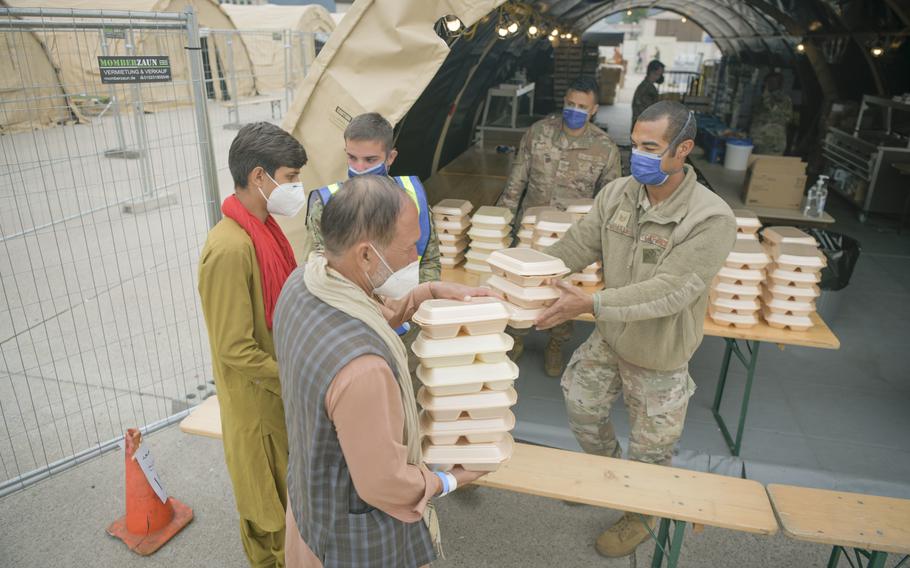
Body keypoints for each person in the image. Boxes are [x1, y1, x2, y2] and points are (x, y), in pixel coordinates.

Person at [534, 101, 736, 559]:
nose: (637, 155)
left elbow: (672, 291)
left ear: (682, 149)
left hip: (660, 350)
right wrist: (524, 273)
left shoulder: (710, 218)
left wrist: (591, 303)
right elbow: (576, 245)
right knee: (582, 406)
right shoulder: (620, 194)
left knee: (652, 446)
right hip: (612, 333)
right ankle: (610, 480)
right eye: (634, 145)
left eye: (651, 147)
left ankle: (641, 513)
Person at [274, 175, 492, 567]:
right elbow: (383, 483)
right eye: (410, 246)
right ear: (365, 255)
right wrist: (451, 479)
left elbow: (370, 315)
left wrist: (427, 292)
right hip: (349, 540)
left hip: (310, 502)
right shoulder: (364, 371)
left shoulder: (303, 282)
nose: (416, 257)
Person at [198, 122, 308, 568]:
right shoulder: (229, 248)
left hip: (278, 397)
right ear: (259, 177)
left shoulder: (265, 230)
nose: (297, 189)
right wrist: (298, 377)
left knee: (291, 501)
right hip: (258, 405)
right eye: (291, 178)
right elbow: (234, 349)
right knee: (269, 516)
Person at [496, 75, 622, 377]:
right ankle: (515, 338)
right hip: (531, 230)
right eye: (569, 103)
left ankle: (556, 344)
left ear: (593, 110)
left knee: (564, 292)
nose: (574, 110)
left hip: (574, 239)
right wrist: (502, 225)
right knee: (520, 289)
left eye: (581, 106)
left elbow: (611, 202)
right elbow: (517, 182)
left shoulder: (604, 149)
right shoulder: (539, 133)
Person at [305, 112, 440, 379]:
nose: (359, 167)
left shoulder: (412, 196)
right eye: (352, 158)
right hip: (352, 331)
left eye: (370, 160)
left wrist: (413, 311)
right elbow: (322, 275)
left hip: (408, 329)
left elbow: (431, 260)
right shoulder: (327, 203)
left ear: (390, 158)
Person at [750, 71, 792, 155]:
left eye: (771, 82)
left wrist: (766, 94)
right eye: (767, 82)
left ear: (779, 84)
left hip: (772, 142)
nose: (768, 84)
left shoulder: (782, 98)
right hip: (759, 140)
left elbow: (771, 109)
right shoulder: (763, 97)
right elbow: (755, 115)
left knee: (767, 165)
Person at [631, 60, 664, 126]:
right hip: (642, 125)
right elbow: (647, 110)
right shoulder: (646, 88)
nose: (660, 77)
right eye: (659, 74)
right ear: (652, 72)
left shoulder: (649, 86)